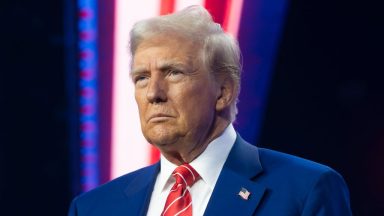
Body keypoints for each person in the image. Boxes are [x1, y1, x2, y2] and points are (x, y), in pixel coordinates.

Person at [68, 6, 351, 216]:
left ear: (223, 92)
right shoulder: (94, 208)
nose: (153, 93)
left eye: (173, 73)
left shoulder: (306, 190)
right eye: (141, 77)